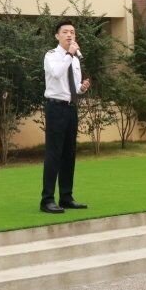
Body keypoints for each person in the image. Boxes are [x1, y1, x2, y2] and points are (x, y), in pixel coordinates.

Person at [40, 19, 91, 214]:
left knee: (69, 154)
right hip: (55, 109)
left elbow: (74, 87)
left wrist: (82, 88)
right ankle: (47, 200)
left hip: (71, 108)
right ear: (57, 36)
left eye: (72, 32)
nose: (70, 35)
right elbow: (56, 73)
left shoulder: (75, 60)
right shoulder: (51, 56)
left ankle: (67, 197)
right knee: (54, 154)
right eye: (65, 32)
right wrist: (69, 55)